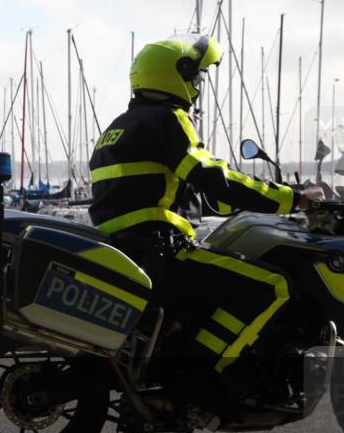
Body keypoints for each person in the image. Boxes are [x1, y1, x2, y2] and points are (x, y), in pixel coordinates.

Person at [88, 34, 321, 392]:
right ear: (174, 75)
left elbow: (187, 191)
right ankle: (202, 376)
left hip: (126, 247)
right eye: (195, 77)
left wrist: (237, 202)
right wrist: (293, 199)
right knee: (273, 285)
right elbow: (215, 177)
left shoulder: (115, 129)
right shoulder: (169, 119)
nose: (197, 86)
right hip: (160, 248)